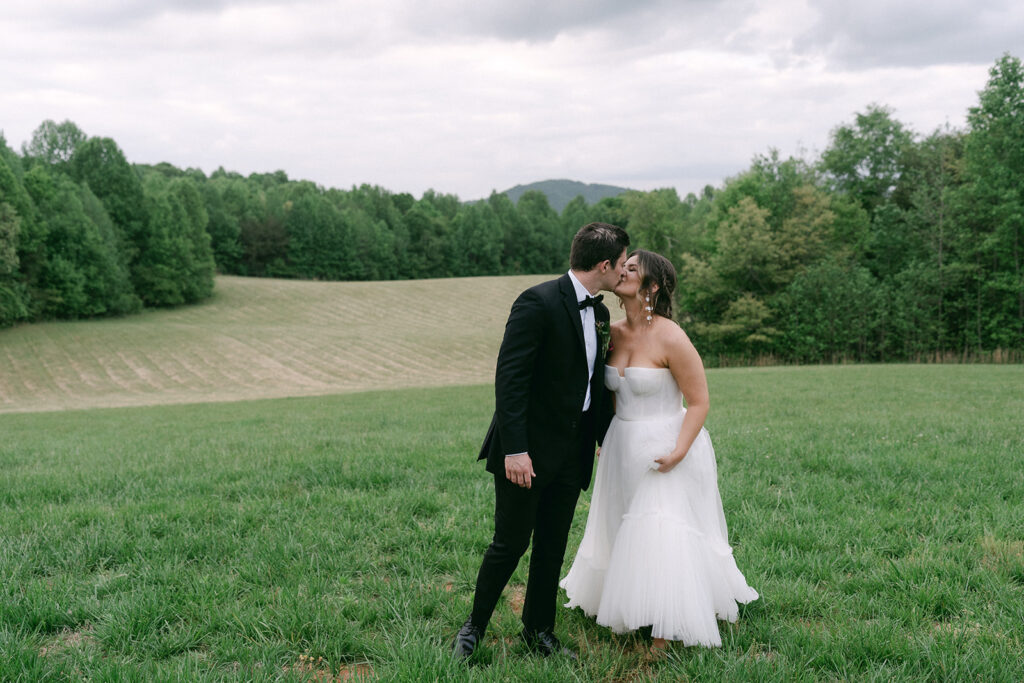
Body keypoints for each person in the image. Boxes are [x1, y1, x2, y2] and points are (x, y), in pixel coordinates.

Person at [559, 249, 758, 650]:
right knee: (627, 529)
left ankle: (666, 631)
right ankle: (634, 604)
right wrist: (604, 439)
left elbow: (699, 401)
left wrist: (679, 451)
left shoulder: (672, 336)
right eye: (622, 265)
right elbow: (611, 394)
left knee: (661, 530)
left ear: (650, 287)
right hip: (621, 446)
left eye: (632, 268)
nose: (622, 270)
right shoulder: (611, 331)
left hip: (667, 448)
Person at [452, 222, 630, 660]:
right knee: (509, 543)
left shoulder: (603, 314)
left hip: (573, 454)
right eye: (623, 264)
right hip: (526, 452)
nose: (625, 271)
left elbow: (594, 385)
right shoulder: (537, 301)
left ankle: (538, 634)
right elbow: (510, 382)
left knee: (552, 547)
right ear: (604, 265)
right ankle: (473, 627)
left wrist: (603, 440)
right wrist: (515, 449)